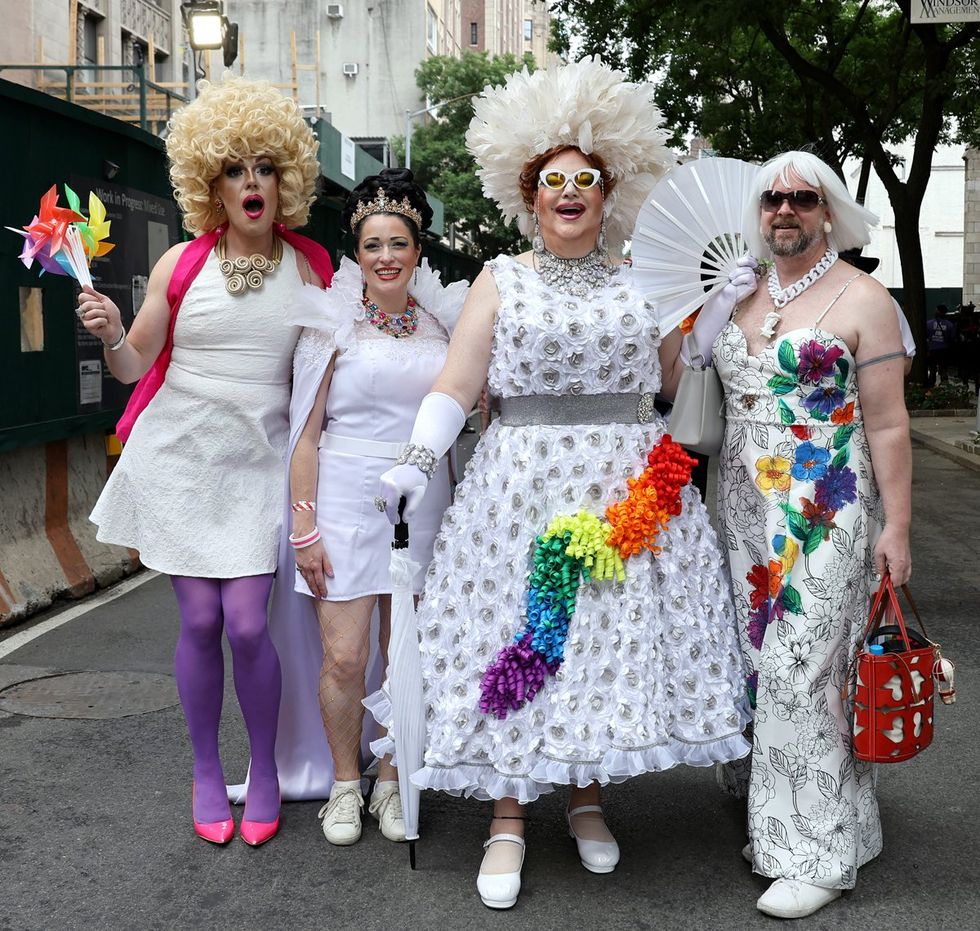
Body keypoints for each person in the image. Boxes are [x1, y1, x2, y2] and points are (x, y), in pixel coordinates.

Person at [374, 57, 751, 909]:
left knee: (599, 644)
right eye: (555, 181)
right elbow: (459, 383)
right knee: (521, 638)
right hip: (520, 487)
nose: (571, 191)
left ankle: (586, 796)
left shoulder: (642, 282)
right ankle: (508, 811)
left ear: (607, 195)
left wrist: (712, 317)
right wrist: (417, 460)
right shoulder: (501, 279)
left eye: (587, 179)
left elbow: (671, 378)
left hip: (628, 485)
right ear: (531, 196)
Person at [77, 76, 333, 847]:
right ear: (208, 182)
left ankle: (261, 769)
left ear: (284, 179)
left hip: (261, 459)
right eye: (233, 168)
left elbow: (319, 387)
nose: (250, 182)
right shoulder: (181, 264)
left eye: (263, 166)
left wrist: (308, 495)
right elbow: (132, 366)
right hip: (183, 455)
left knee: (248, 624)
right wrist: (113, 329)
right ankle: (201, 768)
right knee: (198, 616)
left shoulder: (313, 267)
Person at [703, 151, 912, 918]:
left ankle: (811, 853)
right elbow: (681, 387)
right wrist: (703, 325)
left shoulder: (865, 298)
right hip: (747, 511)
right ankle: (843, 820)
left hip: (828, 504)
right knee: (767, 665)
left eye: (802, 197)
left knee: (805, 666)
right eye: (772, 198)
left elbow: (888, 423)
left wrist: (900, 525)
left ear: (828, 212)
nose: (784, 209)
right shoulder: (737, 292)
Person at [272, 169, 467, 846]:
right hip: (346, 496)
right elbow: (305, 430)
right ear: (356, 252)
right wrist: (305, 523)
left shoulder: (446, 323)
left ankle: (391, 777)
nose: (386, 256)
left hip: (425, 497)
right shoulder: (331, 323)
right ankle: (344, 782)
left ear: (419, 251)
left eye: (399, 243)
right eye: (372, 244)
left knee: (407, 651)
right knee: (346, 655)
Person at [926, 303, 956, 385]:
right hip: (944, 350)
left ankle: (931, 386)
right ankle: (944, 386)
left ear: (937, 311)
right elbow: (952, 337)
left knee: (932, 369)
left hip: (932, 349)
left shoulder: (928, 323)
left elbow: (926, 336)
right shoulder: (950, 325)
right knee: (943, 369)